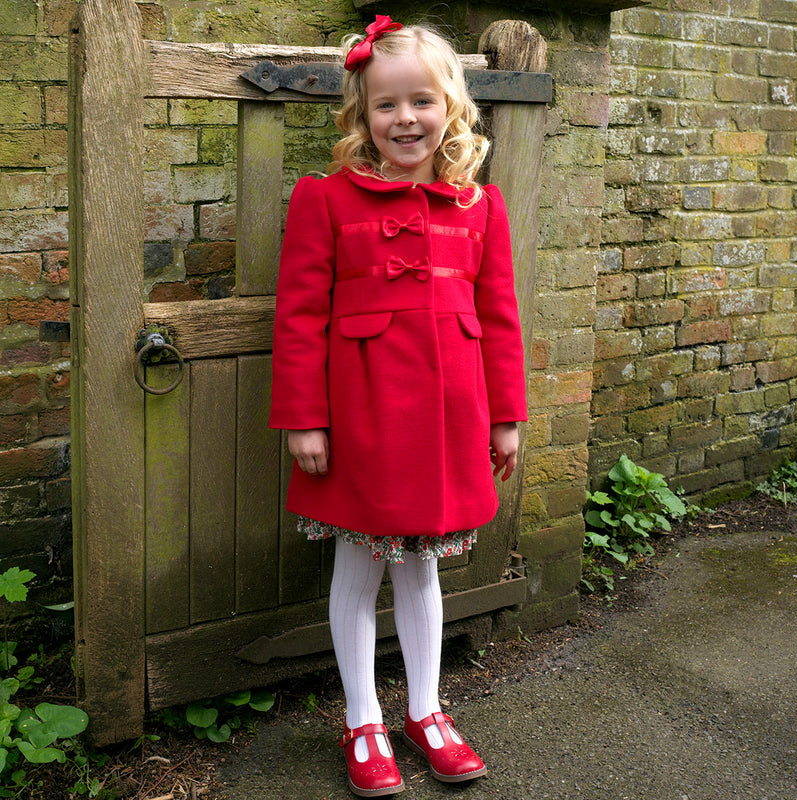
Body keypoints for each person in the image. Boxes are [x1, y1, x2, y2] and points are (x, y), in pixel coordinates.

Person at [269, 15, 528, 798]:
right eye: (386, 106)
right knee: (359, 564)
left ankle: (425, 710)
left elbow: (503, 317)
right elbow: (298, 316)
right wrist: (303, 418)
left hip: (450, 423)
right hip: (360, 425)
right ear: (361, 115)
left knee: (421, 572)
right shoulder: (325, 200)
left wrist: (506, 415)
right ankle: (361, 719)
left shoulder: (478, 207)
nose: (405, 119)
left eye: (421, 101)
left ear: (450, 107)